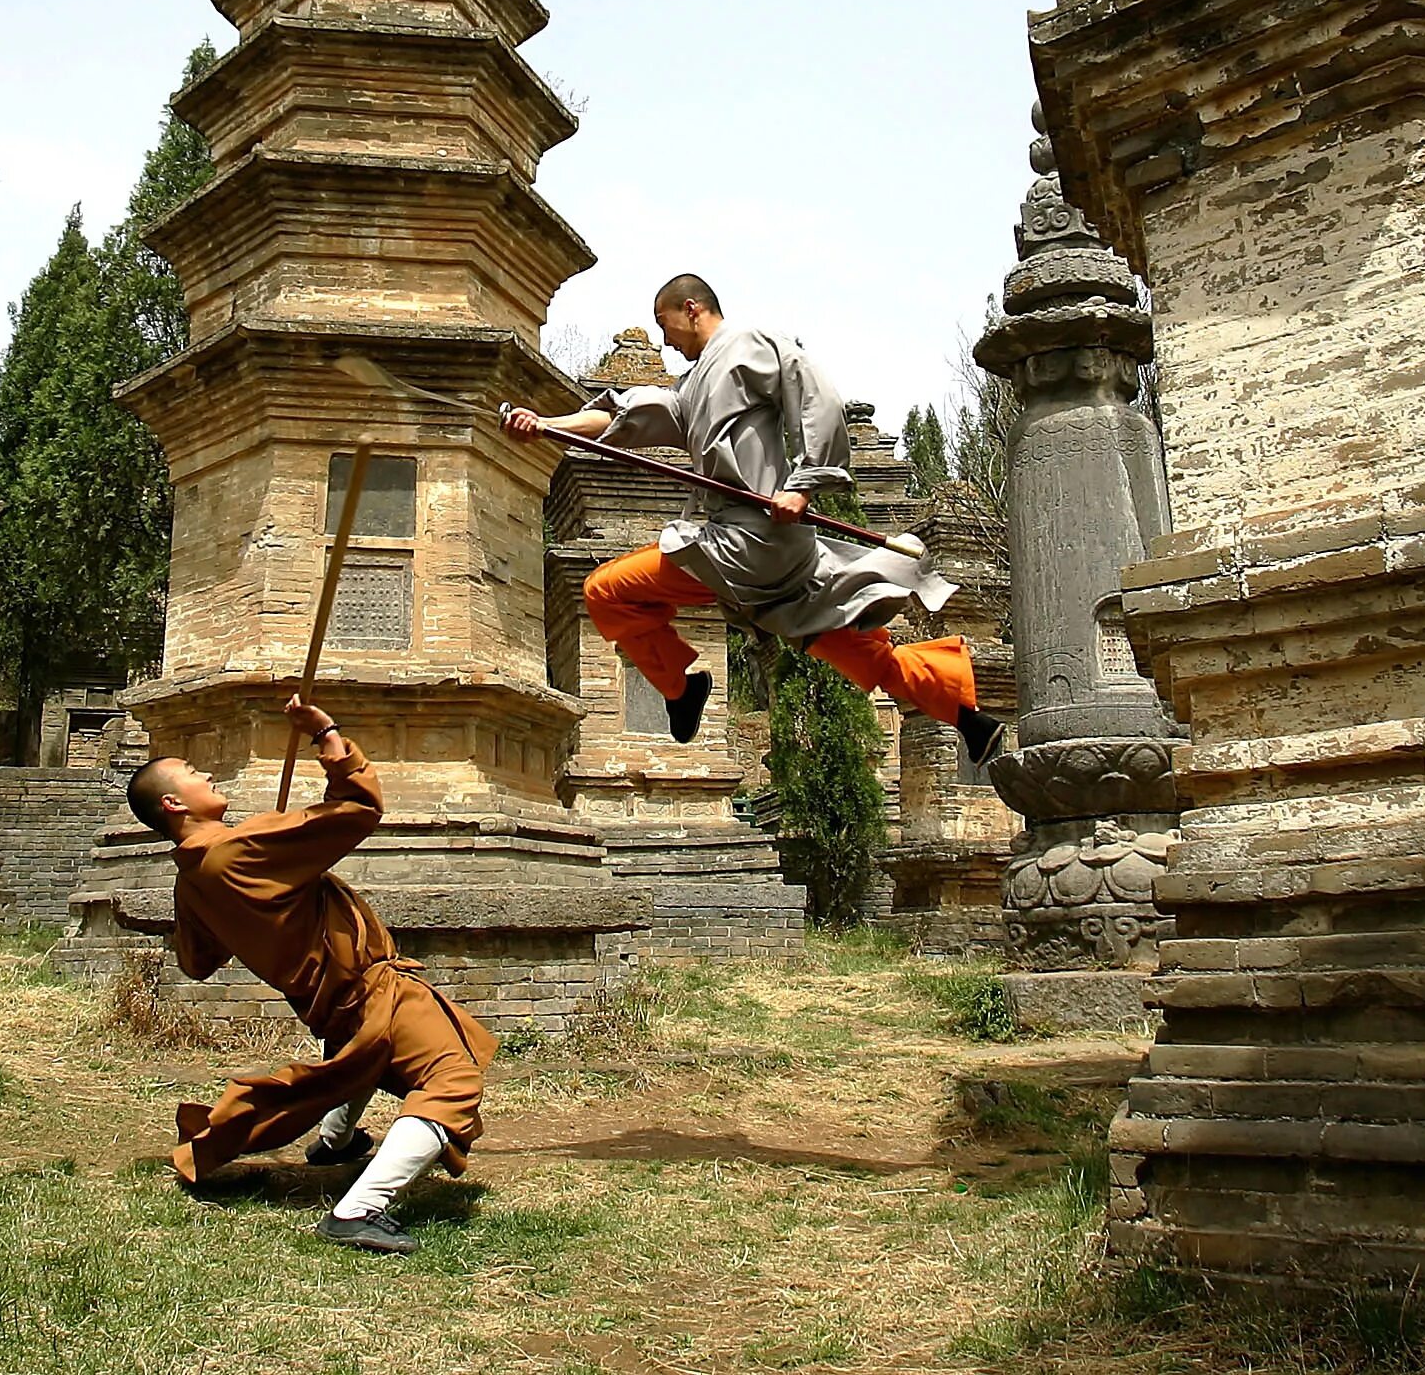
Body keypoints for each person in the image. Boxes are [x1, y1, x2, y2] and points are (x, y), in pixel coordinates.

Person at [504, 274, 1003, 764]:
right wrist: (547, 424)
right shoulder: (690, 388)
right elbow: (620, 417)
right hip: (770, 560)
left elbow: (813, 392)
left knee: (606, 591)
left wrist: (804, 483)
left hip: (749, 542)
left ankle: (681, 687)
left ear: (692, 309)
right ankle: (967, 717)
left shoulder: (747, 344)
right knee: (863, 654)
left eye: (666, 324)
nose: (666, 341)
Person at [126, 696, 496, 1255]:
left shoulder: (194, 879)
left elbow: (198, 962)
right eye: (195, 774)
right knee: (452, 1083)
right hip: (371, 992)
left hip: (329, 1003)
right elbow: (357, 808)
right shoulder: (237, 850)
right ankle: (358, 1210)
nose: (208, 774)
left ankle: (334, 1142)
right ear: (176, 803)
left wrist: (259, 911)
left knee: (358, 1063)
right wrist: (326, 733)